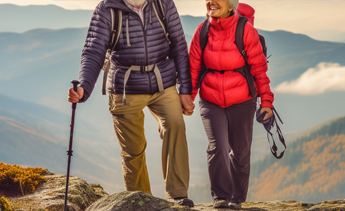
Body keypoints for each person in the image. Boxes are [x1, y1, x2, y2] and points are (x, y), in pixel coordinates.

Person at [67, 0, 196, 207]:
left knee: (176, 125)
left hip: (162, 81)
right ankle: (142, 201)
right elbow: (93, 52)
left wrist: (185, 90)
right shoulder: (106, 9)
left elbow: (179, 46)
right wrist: (84, 87)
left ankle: (177, 195)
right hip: (124, 87)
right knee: (133, 149)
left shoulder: (163, 4)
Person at [188, 1, 274, 209]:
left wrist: (266, 101)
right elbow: (193, 67)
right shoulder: (202, 31)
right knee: (217, 147)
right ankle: (221, 197)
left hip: (242, 100)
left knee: (240, 152)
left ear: (231, 6)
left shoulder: (246, 30)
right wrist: (188, 98)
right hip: (210, 99)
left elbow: (259, 70)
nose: (211, 2)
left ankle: (237, 199)